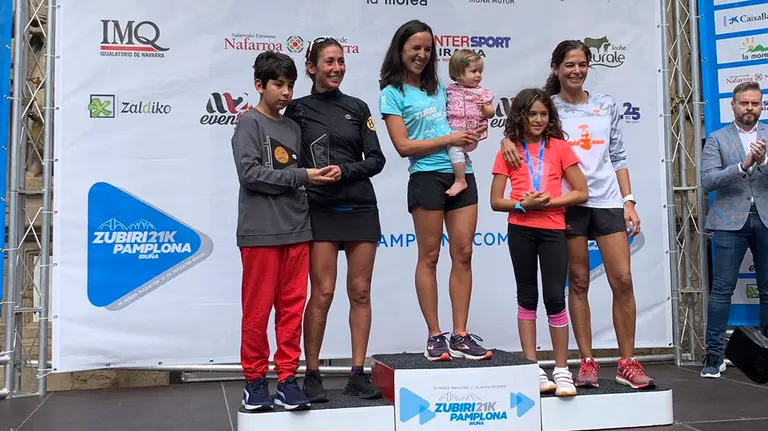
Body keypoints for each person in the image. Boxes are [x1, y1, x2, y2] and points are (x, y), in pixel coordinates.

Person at [501, 40, 656, 389]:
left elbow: (618, 154)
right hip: (566, 204)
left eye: (582, 64)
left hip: (606, 201)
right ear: (556, 68)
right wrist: (505, 140)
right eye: (569, 64)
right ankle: (586, 361)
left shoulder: (606, 104)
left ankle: (627, 362)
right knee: (580, 283)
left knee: (623, 280)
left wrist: (628, 200)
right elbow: (519, 131)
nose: (576, 71)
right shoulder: (548, 107)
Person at [379, 20, 491, 361]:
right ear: (401, 50)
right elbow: (403, 146)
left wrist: (475, 131)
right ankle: (435, 335)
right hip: (426, 177)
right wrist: (450, 139)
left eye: (428, 49)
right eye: (415, 48)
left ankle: (460, 334)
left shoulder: (442, 87)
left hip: (462, 174)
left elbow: (472, 111)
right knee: (429, 256)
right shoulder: (392, 93)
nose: (422, 55)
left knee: (464, 253)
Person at [231, 51, 337, 412]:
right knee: (258, 310)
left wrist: (318, 176)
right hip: (260, 233)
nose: (286, 92)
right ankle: (255, 381)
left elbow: (298, 176)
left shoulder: (293, 127)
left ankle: (287, 379)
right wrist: (302, 176)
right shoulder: (248, 123)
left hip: (297, 230)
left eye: (290, 85)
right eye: (278, 84)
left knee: (291, 311)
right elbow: (251, 174)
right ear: (260, 85)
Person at [284, 37, 385, 401]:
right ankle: (310, 374)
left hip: (359, 207)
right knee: (322, 293)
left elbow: (377, 160)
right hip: (319, 209)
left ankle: (358, 373)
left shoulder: (358, 107)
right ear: (311, 66)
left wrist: (344, 170)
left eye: (341, 61)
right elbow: (286, 162)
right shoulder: (295, 110)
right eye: (329, 62)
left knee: (360, 292)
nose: (337, 68)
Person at [490, 88, 588, 396]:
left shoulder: (559, 148)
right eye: (531, 114)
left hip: (553, 227)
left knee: (555, 298)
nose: (538, 119)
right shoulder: (508, 150)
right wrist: (522, 205)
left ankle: (561, 369)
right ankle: (531, 368)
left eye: (543, 114)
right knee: (527, 296)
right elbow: (495, 201)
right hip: (520, 228)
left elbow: (581, 192)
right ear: (520, 115)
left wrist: (550, 202)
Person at [701, 81, 768, 378]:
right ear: (733, 104)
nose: (750, 109)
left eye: (755, 103)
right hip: (729, 222)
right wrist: (743, 165)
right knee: (721, 291)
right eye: (745, 103)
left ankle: (766, 355)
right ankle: (714, 356)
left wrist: (763, 163)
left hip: (766, 219)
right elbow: (708, 180)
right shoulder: (717, 138)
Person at [445, 49, 495, 197]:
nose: (478, 75)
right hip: (453, 128)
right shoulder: (449, 90)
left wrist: (484, 108)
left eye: (480, 71)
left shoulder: (482, 93)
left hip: (471, 133)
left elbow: (491, 113)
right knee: (450, 146)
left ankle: (460, 180)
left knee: (454, 148)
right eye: (473, 71)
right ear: (458, 73)